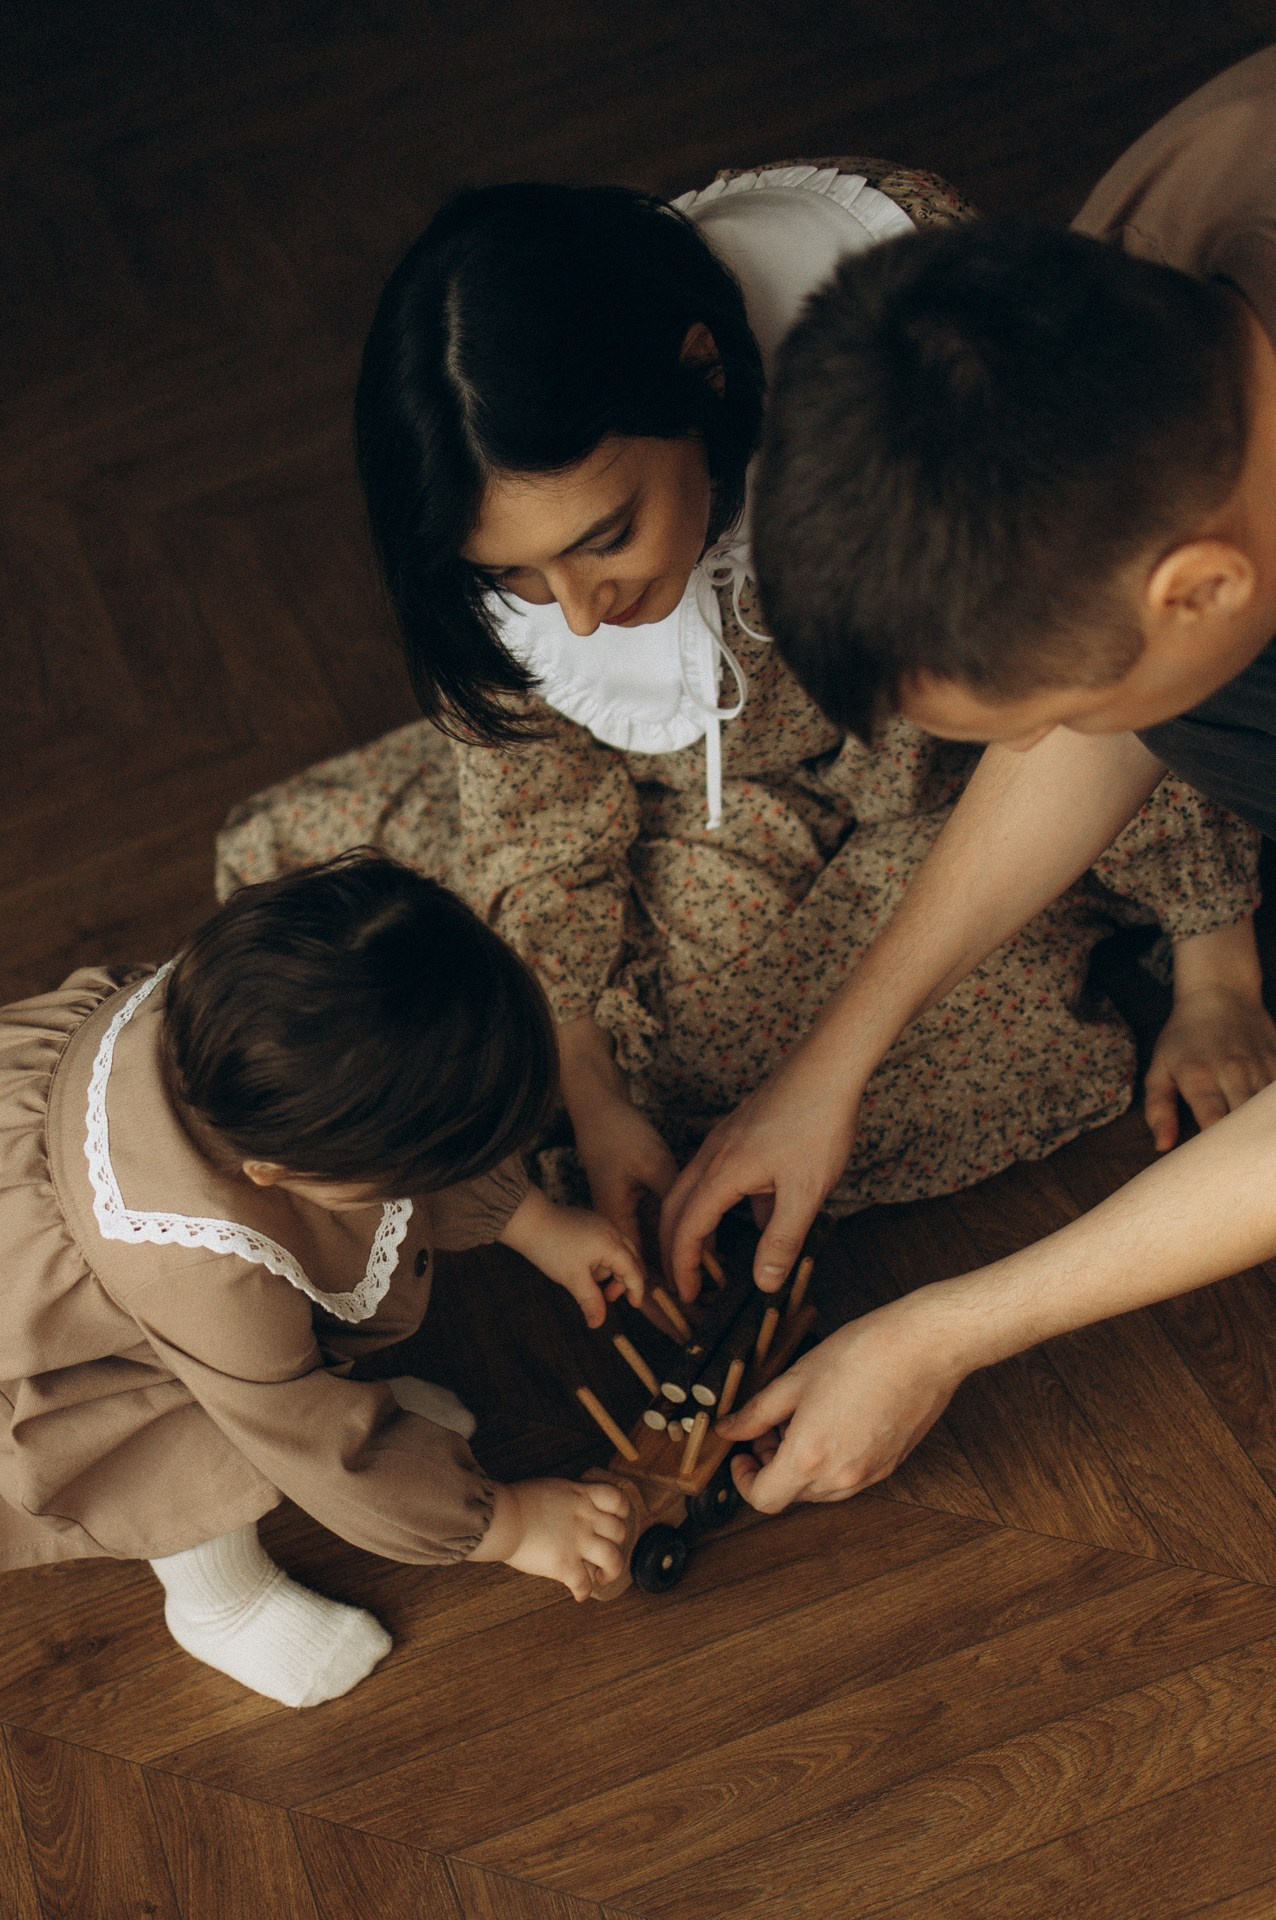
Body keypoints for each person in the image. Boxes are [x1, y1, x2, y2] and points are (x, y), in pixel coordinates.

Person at [218, 160, 1262, 1283]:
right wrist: (588, 1081)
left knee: (758, 1066)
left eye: (604, 535)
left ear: (701, 378)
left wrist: (1216, 973)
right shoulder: (530, 574)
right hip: (720, 791)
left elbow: (1108, 682)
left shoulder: (902, 357)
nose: (579, 609)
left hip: (983, 745)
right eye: (518, 578)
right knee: (568, 1045)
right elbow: (536, 805)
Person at [661, 47, 1276, 1513]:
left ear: (1202, 584)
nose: (1027, 750)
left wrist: (947, 1332)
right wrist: (832, 1063)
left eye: (1042, 710)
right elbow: (1099, 715)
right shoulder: (1176, 231)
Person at [0, 854, 642, 1706]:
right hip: (67, 1347)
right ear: (270, 1174)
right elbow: (320, 1445)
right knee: (174, 1430)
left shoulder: (267, 1016)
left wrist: (536, 1223)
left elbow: (405, 1106)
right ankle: (217, 1604)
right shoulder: (202, 1279)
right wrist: (508, 1523)